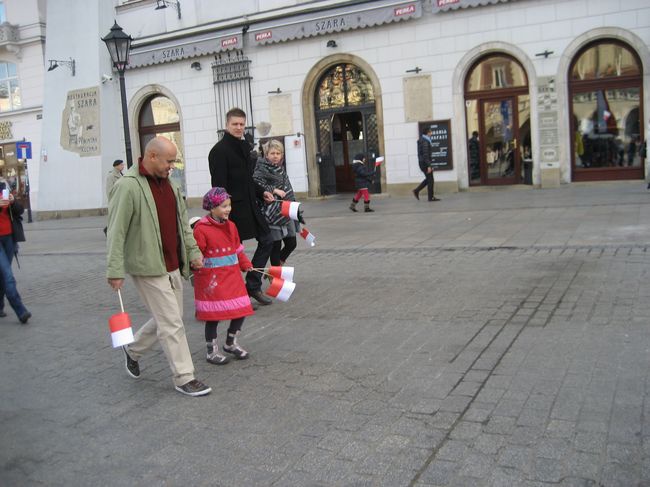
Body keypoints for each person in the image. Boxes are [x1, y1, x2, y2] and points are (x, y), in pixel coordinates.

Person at [106, 136, 211, 397]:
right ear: (152, 156)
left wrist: (194, 252)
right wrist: (114, 270)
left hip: (173, 263)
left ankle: (133, 350)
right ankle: (184, 377)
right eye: (169, 160)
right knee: (172, 322)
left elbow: (183, 225)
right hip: (147, 266)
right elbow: (116, 231)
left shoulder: (171, 186)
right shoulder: (128, 187)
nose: (171, 166)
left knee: (167, 318)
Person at [208, 107, 275, 306]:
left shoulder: (245, 147)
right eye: (234, 124)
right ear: (226, 125)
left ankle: (252, 286)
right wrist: (223, 212)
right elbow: (218, 187)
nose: (238, 128)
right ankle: (237, 295)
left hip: (251, 206)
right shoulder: (219, 151)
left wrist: (261, 192)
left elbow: (247, 180)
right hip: (232, 210)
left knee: (267, 239)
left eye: (241, 124)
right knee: (233, 252)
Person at [193, 187, 255, 364]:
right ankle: (211, 351)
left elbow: (237, 249)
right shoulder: (201, 228)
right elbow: (197, 253)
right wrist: (196, 265)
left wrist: (245, 264)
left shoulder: (232, 226)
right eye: (223, 206)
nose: (227, 209)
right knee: (214, 316)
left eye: (229, 205)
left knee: (241, 308)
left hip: (232, 276)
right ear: (211, 208)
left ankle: (230, 342)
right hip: (212, 279)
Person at [252, 139, 301, 266]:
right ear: (266, 154)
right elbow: (255, 185)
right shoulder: (260, 168)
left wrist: (294, 208)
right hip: (271, 212)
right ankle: (276, 277)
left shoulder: (280, 168)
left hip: (285, 209)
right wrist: (273, 190)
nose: (275, 156)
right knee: (276, 245)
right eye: (272, 153)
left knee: (291, 243)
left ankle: (276, 267)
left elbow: (288, 188)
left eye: (278, 153)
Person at [0, 178, 30, 324]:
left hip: (9, 238)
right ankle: (20, 310)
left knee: (2, 274)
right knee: (8, 275)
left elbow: (19, 211)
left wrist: (13, 202)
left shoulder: (3, 185)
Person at [413, 127, 440, 202]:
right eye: (430, 132)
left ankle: (417, 191)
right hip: (425, 164)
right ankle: (430, 197)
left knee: (429, 179)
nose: (431, 133)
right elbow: (425, 155)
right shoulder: (425, 141)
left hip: (422, 163)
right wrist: (429, 166)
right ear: (427, 133)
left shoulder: (423, 140)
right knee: (430, 180)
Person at [103, 159, 124, 235]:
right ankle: (107, 229)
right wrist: (112, 200)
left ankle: (109, 229)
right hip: (115, 200)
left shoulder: (121, 174)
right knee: (114, 217)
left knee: (117, 217)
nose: (123, 166)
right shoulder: (111, 176)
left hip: (121, 198)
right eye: (121, 165)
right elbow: (109, 190)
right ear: (116, 166)